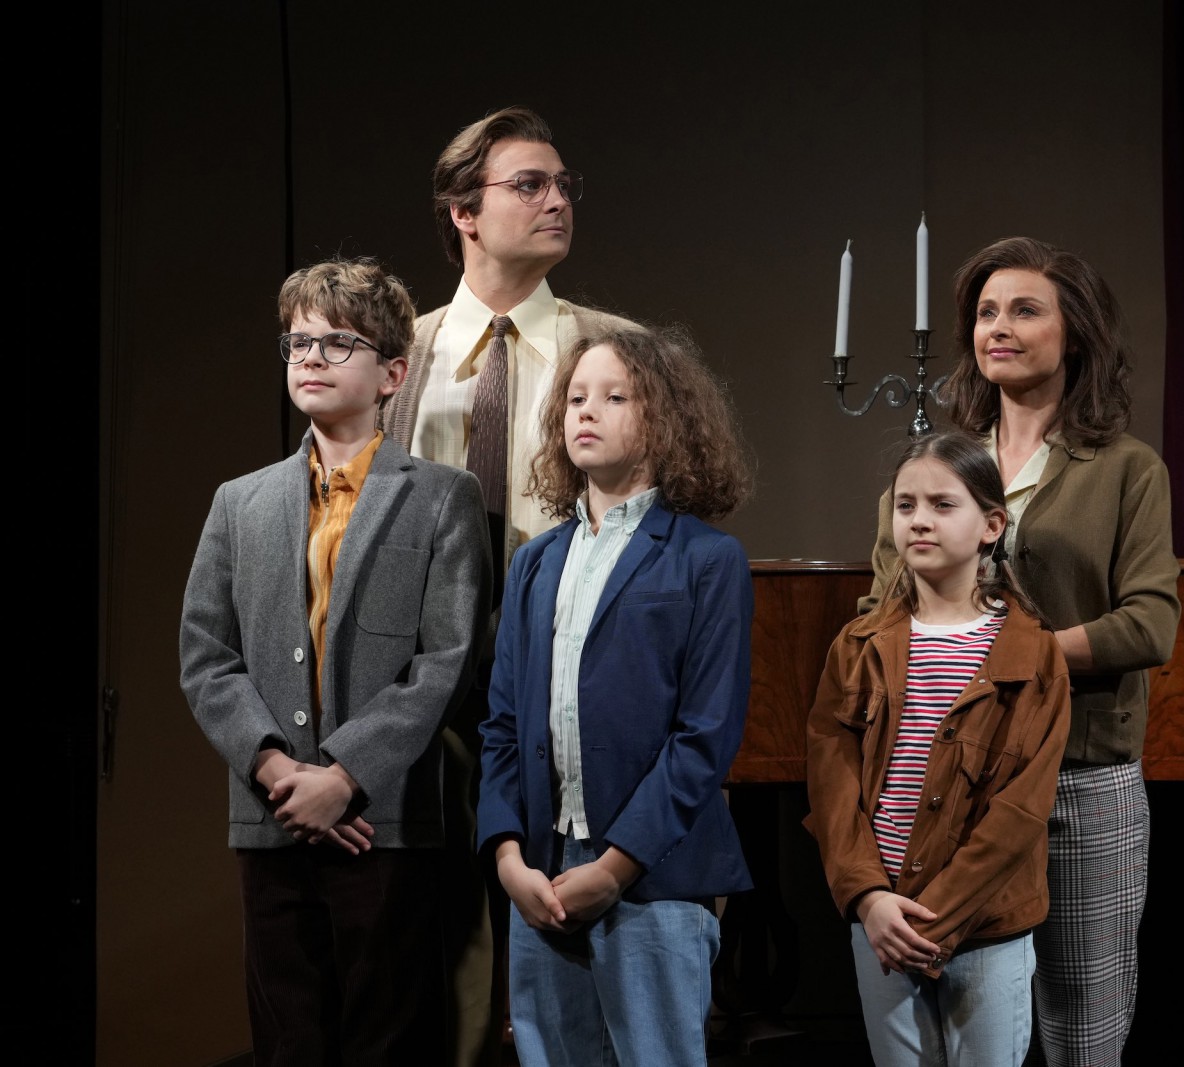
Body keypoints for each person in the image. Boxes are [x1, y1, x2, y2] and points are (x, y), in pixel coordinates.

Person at [861, 237, 1181, 1067]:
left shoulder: (1126, 469)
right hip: (948, 784)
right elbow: (882, 608)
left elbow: (1149, 624)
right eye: (986, 312)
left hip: (1080, 780)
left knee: (1082, 1033)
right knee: (958, 1038)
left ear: (1074, 333)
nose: (998, 327)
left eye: (1025, 309)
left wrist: (1013, 659)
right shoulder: (938, 465)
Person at [178, 256, 493, 1065]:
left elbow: (447, 659)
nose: (310, 357)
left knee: (387, 1038)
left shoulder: (441, 495)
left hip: (381, 823)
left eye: (336, 342)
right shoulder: (237, 501)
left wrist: (344, 775)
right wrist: (279, 770)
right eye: (296, 343)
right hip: (272, 818)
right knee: (289, 1038)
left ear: (392, 372)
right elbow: (207, 655)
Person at [380, 105, 636, 1067]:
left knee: (567, 952)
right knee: (437, 958)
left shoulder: (618, 351)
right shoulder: (396, 353)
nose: (557, 199)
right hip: (420, 687)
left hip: (563, 678)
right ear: (463, 211)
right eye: (530, 184)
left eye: (566, 184)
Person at [477, 323, 756, 1066]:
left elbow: (705, 735)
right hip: (541, 875)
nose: (585, 411)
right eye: (574, 397)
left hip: (650, 876)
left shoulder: (706, 559)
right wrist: (507, 859)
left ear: (662, 417)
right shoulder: (537, 563)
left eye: (613, 395)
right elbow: (501, 724)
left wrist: (614, 866)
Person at [808, 430, 1073, 1067]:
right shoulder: (858, 643)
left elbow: (1022, 808)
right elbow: (832, 778)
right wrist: (869, 898)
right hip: (884, 917)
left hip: (984, 924)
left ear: (991, 524)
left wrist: (937, 918)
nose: (919, 520)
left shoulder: (1032, 652)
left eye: (941, 505)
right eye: (905, 506)